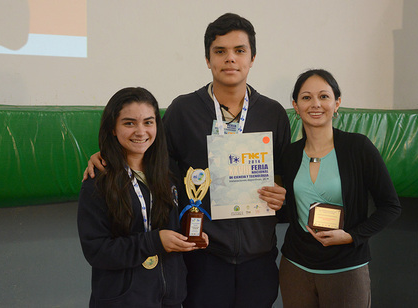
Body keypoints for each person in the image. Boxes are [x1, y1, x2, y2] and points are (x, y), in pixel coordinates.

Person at [84, 13, 290, 307]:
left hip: (259, 258)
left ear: (252, 57)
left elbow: (283, 175)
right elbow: (151, 159)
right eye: (220, 51)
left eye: (239, 51)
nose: (230, 59)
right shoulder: (183, 110)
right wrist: (105, 155)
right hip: (202, 256)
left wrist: (281, 196)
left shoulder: (273, 114)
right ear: (208, 59)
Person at [279, 69, 401, 307]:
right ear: (296, 105)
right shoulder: (290, 155)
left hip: (346, 268)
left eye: (324, 96)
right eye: (306, 97)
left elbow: (391, 207)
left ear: (337, 103)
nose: (315, 104)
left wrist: (351, 236)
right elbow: (291, 210)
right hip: (295, 267)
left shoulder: (358, 147)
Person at [77, 87, 208, 308]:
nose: (141, 131)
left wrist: (189, 237)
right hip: (123, 300)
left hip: (169, 299)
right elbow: (97, 251)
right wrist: (155, 242)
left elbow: (171, 227)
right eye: (129, 123)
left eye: (148, 122)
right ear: (112, 128)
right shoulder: (98, 181)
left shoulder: (169, 174)